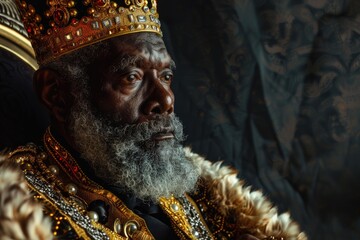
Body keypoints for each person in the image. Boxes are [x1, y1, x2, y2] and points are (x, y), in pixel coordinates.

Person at [1, 0, 306, 239]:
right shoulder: (18, 215)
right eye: (131, 77)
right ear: (57, 94)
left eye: (166, 76)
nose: (166, 100)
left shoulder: (206, 193)